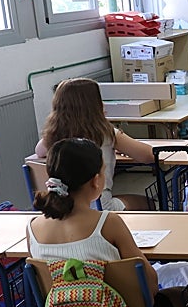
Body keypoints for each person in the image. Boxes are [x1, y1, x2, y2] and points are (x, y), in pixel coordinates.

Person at [27, 138, 188, 307]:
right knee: (187, 297)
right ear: (97, 181)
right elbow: (148, 288)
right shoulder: (107, 223)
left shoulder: (33, 228)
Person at [35, 78, 155, 210]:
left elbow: (39, 151)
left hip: (63, 207)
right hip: (98, 206)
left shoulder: (54, 135)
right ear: (95, 105)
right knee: (147, 202)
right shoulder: (105, 133)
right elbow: (149, 155)